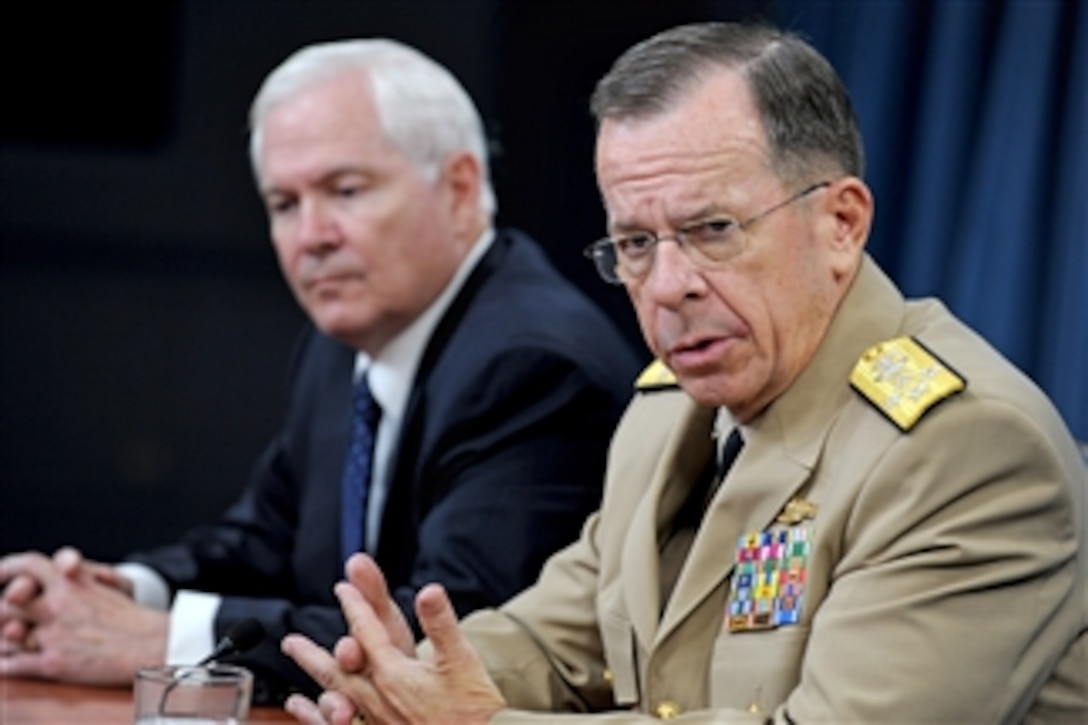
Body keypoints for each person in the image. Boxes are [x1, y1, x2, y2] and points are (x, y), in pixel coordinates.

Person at [279, 21, 1088, 724]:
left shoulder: (966, 448)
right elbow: (559, 643)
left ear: (841, 222)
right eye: (634, 243)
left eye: (712, 228)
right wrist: (399, 678)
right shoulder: (672, 409)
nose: (668, 286)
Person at [0, 39, 643, 704]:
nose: (311, 235)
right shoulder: (346, 341)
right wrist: (112, 591)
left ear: (459, 188)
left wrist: (157, 640)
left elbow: (446, 632)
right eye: (284, 203)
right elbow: (263, 538)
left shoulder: (533, 364)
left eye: (345, 190)